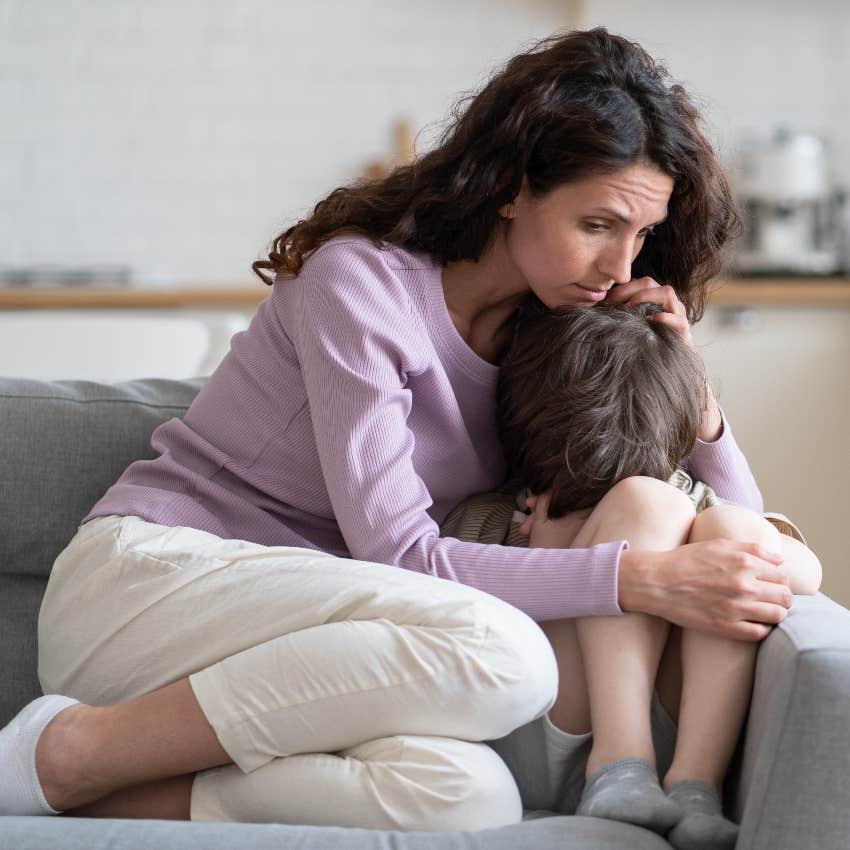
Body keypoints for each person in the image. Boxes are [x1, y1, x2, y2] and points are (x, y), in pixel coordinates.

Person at [0, 26, 797, 833]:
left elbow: (739, 540)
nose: (621, 267)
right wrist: (636, 581)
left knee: (468, 796)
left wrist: (696, 403)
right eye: (598, 225)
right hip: (157, 588)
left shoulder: (548, 331)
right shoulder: (362, 285)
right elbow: (403, 557)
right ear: (513, 187)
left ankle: (108, 791)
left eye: (640, 235)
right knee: (505, 657)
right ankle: (70, 751)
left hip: (329, 648)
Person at [439, 299, 821, 847]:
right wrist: (551, 563)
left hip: (667, 755)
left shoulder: (687, 499)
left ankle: (696, 787)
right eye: (578, 501)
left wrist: (738, 535)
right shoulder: (503, 514)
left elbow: (798, 568)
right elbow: (438, 608)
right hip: (542, 736)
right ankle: (620, 762)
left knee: (725, 526)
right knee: (651, 504)